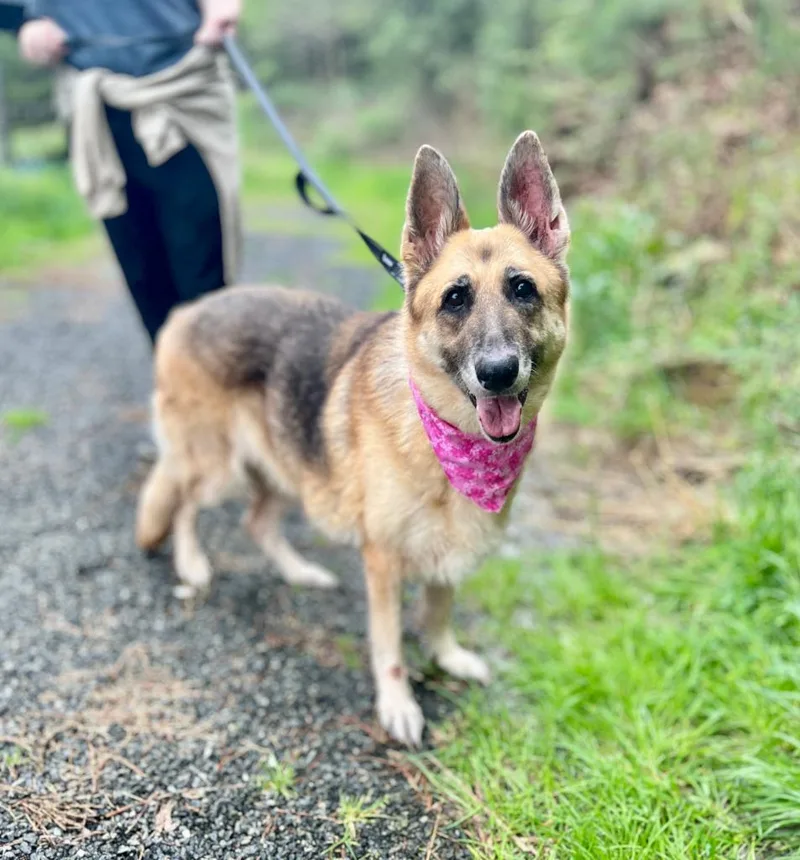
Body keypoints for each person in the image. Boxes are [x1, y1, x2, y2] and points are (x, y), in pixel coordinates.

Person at [16, 0, 243, 344]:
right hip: (93, 100)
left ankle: (214, 380)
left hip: (186, 84)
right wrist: (27, 21)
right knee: (141, 266)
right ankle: (173, 380)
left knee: (204, 264)